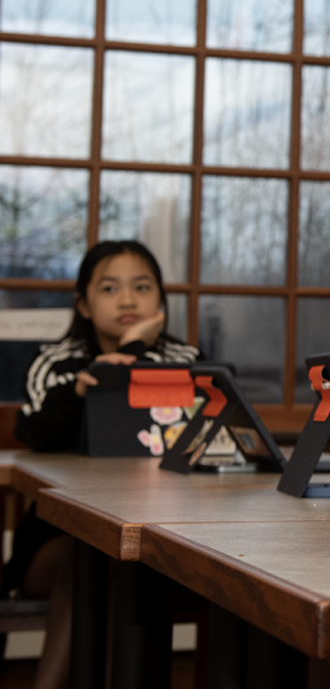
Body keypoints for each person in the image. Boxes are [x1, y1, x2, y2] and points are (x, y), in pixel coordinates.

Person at [4, 240, 199, 689]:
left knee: (125, 558)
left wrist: (131, 352)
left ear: (160, 301)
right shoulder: (55, 362)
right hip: (59, 543)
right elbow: (35, 432)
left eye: (142, 287)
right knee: (97, 553)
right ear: (84, 305)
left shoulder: (185, 361)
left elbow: (193, 437)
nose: (128, 300)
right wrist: (90, 381)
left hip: (165, 538)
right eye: (110, 288)